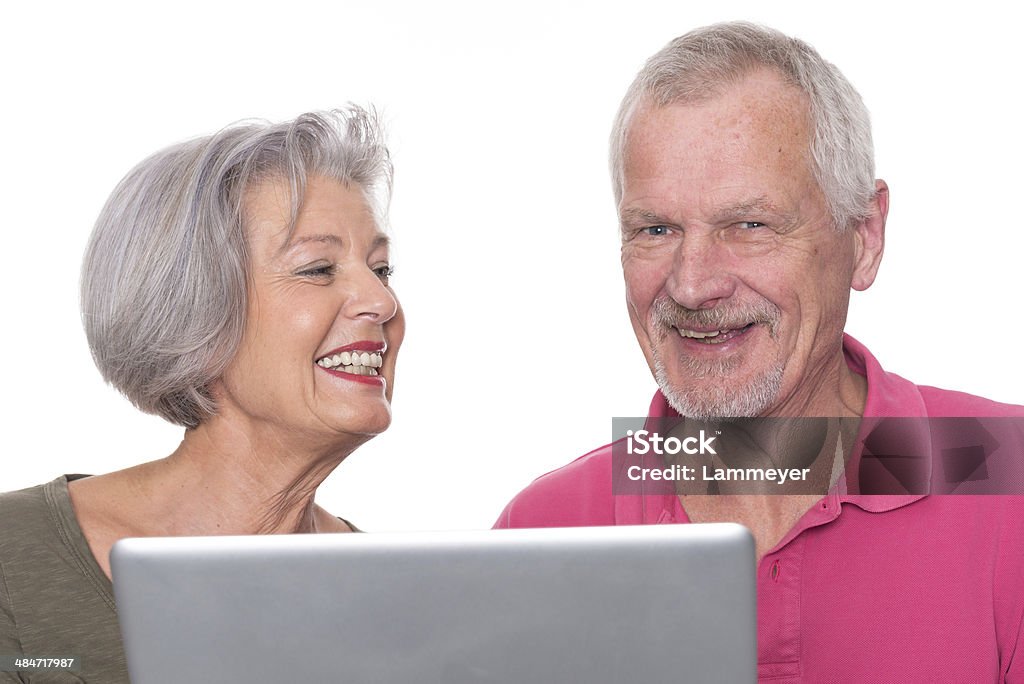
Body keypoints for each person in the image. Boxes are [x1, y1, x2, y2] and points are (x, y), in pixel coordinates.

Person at [495, 22, 1024, 682]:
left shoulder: (1007, 476)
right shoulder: (542, 533)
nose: (692, 284)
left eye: (749, 226)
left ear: (864, 237)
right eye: (655, 229)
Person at [0, 107, 404, 683]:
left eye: (383, 270)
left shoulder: (399, 597)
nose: (383, 303)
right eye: (318, 268)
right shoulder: (12, 557)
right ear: (195, 308)